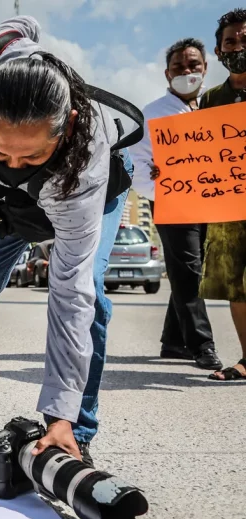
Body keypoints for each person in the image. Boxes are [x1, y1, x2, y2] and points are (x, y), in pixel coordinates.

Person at [0, 16, 137, 466]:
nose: (15, 163)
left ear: (67, 125)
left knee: (88, 300)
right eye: (0, 151)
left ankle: (75, 425)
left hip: (77, 189)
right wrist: (6, 166)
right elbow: (24, 23)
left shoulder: (84, 157)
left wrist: (58, 414)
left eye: (31, 154)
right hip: (6, 205)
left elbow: (70, 295)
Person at [129, 39, 222, 370]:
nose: (187, 71)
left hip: (212, 202)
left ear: (205, 68)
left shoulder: (215, 107)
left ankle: (173, 342)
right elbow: (138, 165)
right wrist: (160, 185)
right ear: (167, 73)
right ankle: (202, 345)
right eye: (179, 67)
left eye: (193, 65)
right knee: (189, 270)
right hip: (173, 202)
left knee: (189, 271)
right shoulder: (151, 115)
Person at [198, 9, 246, 381]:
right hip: (228, 208)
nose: (239, 47)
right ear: (218, 50)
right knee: (236, 285)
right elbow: (199, 157)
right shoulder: (210, 100)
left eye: (245, 40)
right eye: (231, 41)